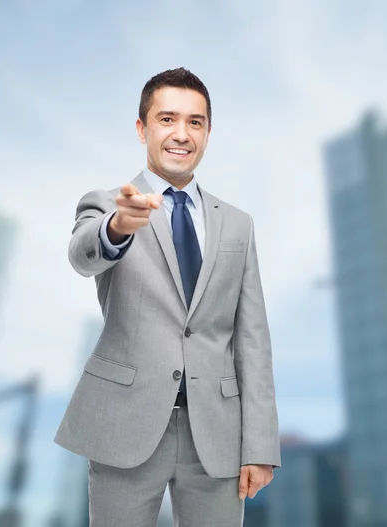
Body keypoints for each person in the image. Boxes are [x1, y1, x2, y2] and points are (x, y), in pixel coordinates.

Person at [55, 67, 281, 527]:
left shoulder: (238, 224)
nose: (181, 134)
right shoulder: (109, 203)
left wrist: (260, 444)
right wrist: (118, 227)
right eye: (167, 119)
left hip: (217, 434)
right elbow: (83, 255)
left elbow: (252, 337)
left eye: (195, 122)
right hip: (126, 425)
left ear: (208, 132)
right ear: (142, 129)